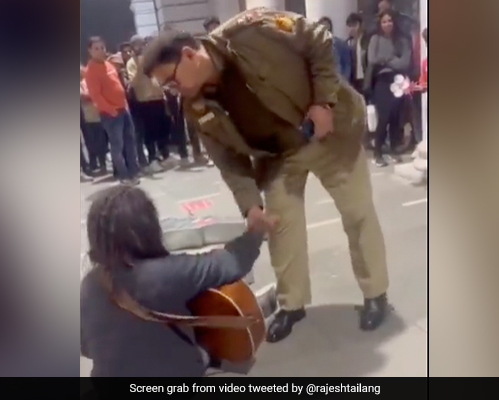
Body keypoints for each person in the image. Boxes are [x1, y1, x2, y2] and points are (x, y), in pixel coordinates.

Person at [143, 8, 391, 343]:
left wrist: (324, 102)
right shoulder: (195, 105)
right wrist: (249, 205)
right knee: (281, 227)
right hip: (278, 156)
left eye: (172, 81)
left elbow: (318, 41)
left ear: (189, 55)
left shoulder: (251, 30)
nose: (174, 90)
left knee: (357, 213)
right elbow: (227, 159)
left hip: (328, 133)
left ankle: (376, 294)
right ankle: (292, 304)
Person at [80, 185, 264, 377]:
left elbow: (86, 347)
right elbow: (232, 263)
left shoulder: (88, 285)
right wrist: (256, 232)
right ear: (148, 227)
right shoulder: (167, 273)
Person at [84, 36, 140, 185]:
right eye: (96, 48)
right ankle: (124, 176)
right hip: (110, 114)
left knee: (130, 142)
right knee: (117, 146)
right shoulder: (91, 71)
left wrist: (124, 105)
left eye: (102, 47)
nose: (100, 51)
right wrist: (111, 110)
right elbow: (96, 96)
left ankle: (133, 173)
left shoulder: (108, 65)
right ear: (90, 51)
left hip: (123, 109)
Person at [367, 11, 411, 167]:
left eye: (390, 21)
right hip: (382, 82)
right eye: (384, 21)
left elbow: (404, 62)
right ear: (380, 24)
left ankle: (394, 150)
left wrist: (387, 61)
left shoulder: (402, 40)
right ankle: (377, 153)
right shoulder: (375, 39)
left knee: (395, 117)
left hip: (398, 81)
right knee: (383, 117)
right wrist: (392, 59)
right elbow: (372, 59)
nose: (387, 24)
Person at [126, 35, 170, 173]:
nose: (141, 47)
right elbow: (134, 82)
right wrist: (140, 65)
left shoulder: (151, 59)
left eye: (142, 44)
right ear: (132, 47)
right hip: (145, 100)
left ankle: (165, 156)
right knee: (149, 132)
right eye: (137, 44)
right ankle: (152, 159)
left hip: (158, 98)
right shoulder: (131, 63)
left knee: (162, 129)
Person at [81, 65, 108, 175]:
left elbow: (99, 92)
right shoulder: (81, 83)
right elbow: (82, 96)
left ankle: (103, 164)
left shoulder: (91, 81)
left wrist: (93, 95)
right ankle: (94, 165)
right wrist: (93, 95)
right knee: (91, 143)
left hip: (99, 115)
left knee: (102, 142)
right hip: (87, 117)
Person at [345, 12, 369, 96]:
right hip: (352, 81)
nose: (352, 28)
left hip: (365, 78)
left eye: (354, 25)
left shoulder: (367, 41)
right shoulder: (347, 43)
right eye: (349, 26)